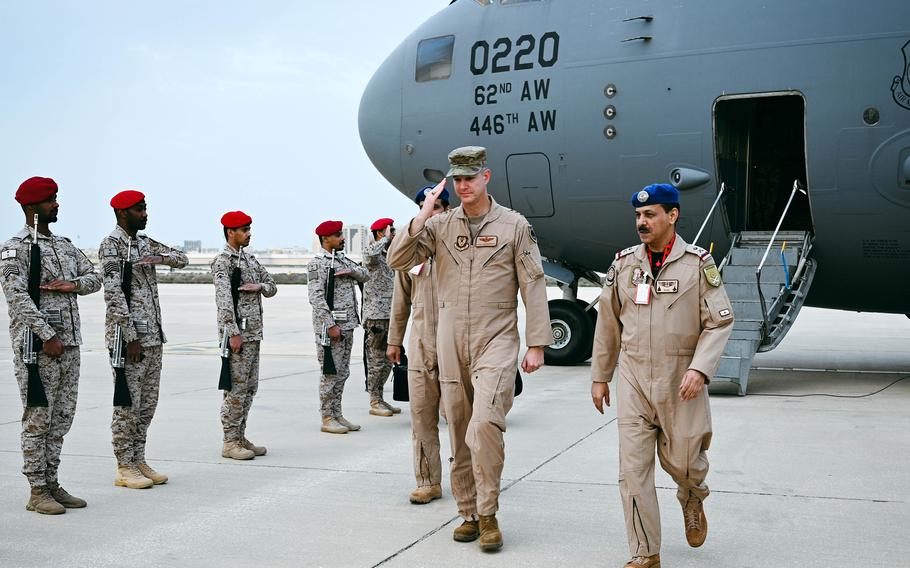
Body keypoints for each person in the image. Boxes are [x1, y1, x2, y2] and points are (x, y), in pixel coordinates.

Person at [388, 147, 553, 552]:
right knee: (460, 429)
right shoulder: (441, 226)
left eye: (470, 178)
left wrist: (536, 343)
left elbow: (533, 283)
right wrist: (424, 213)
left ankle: (490, 513)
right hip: (448, 339)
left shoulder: (514, 225)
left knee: (484, 424)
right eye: (457, 179)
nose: (463, 185)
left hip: (495, 337)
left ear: (486, 177)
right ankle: (468, 513)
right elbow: (397, 259)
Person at [589, 183, 734, 568]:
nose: (642, 222)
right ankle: (645, 552)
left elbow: (720, 322)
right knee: (633, 472)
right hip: (634, 376)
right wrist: (601, 376)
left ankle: (691, 495)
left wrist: (700, 369)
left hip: (680, 376)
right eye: (638, 215)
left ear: (672, 216)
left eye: (650, 214)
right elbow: (608, 324)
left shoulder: (698, 264)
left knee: (685, 461)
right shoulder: (623, 265)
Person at [1, 177, 101, 514]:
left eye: (56, 198)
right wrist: (47, 334)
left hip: (69, 345)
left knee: (61, 418)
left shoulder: (64, 245)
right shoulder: (15, 249)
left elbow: (95, 277)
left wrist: (72, 284)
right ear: (31, 207)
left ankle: (53, 481)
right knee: (38, 419)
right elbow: (16, 297)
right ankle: (37, 489)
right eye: (50, 200)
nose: (56, 205)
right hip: (38, 348)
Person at [100, 190, 188, 489]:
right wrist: (130, 337)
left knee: (147, 404)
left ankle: (138, 459)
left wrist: (158, 257)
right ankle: (124, 466)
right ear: (123, 213)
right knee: (128, 405)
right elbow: (112, 294)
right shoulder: (111, 245)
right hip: (130, 341)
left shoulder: (144, 242)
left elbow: (182, 258)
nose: (145, 214)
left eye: (145, 209)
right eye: (139, 210)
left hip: (153, 337)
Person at [387, 185, 450, 505]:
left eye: (438, 206)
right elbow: (401, 301)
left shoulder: (458, 247)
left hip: (456, 343)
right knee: (422, 416)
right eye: (428, 207)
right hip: (422, 342)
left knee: (463, 419)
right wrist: (394, 340)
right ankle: (427, 481)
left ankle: (467, 475)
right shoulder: (412, 253)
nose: (433, 212)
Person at [212, 211, 277, 460]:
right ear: (231, 232)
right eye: (244, 229)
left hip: (254, 334)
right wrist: (232, 333)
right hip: (238, 336)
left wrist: (259, 286)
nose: (249, 234)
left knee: (250, 388)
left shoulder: (250, 260)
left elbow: (271, 286)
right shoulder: (223, 262)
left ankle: (240, 436)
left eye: (249, 229)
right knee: (236, 390)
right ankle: (229, 441)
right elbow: (224, 301)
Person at [307, 221, 370, 434]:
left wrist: (350, 271)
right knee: (330, 373)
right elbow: (316, 298)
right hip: (330, 328)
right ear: (325, 239)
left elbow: (365, 274)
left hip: (348, 324)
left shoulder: (343, 260)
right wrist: (330, 324)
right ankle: (327, 416)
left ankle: (337, 413)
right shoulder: (318, 264)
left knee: (343, 372)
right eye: (337, 235)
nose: (342, 238)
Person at [363, 217, 399, 417]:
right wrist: (384, 239)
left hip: (390, 313)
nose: (393, 234)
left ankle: (381, 398)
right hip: (376, 315)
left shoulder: (388, 255)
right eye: (390, 231)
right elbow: (369, 254)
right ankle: (374, 400)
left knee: (387, 360)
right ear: (380, 233)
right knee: (376, 359)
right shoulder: (373, 254)